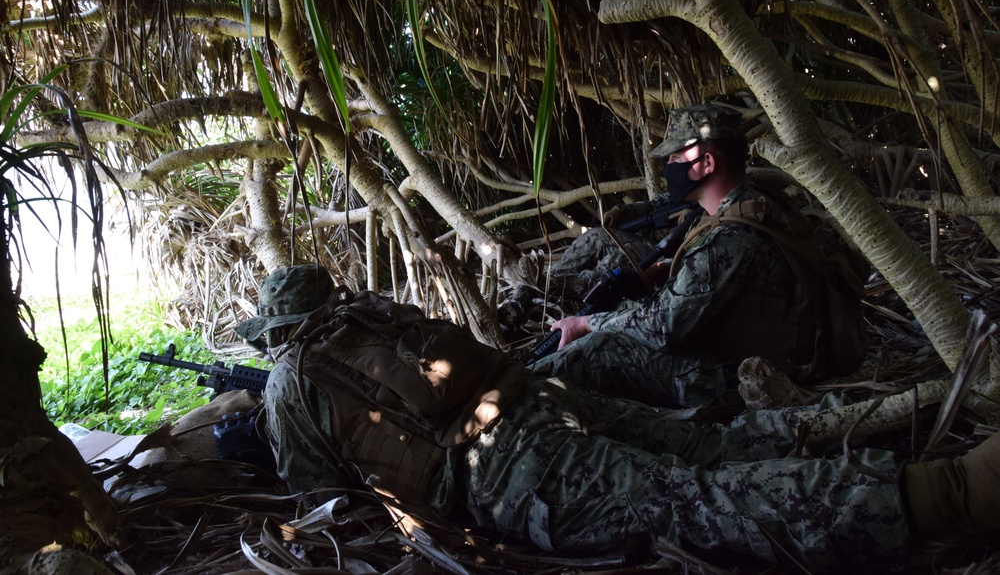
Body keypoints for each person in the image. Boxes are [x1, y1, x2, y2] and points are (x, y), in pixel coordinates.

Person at [240, 266, 1000, 572]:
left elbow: (319, 492)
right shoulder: (366, 313)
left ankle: (946, 492)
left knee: (690, 500)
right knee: (707, 446)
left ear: (274, 335)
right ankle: (875, 423)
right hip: (537, 396)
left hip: (506, 466)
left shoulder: (291, 382)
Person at [534, 103, 858, 408]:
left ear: (706, 164)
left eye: (676, 157)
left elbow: (663, 327)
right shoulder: (752, 202)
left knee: (594, 349)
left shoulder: (732, 238)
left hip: (749, 379)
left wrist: (586, 323)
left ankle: (519, 391)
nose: (669, 166)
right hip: (767, 356)